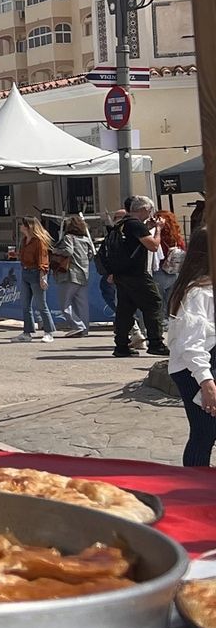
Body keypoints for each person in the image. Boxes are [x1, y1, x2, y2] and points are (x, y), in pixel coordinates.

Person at [166, 227, 215, 467]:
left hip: (202, 367)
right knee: (204, 433)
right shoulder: (198, 293)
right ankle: (195, 493)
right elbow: (191, 343)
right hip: (195, 370)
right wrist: (206, 382)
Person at [105, 196, 170, 358]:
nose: (150, 214)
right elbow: (153, 246)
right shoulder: (135, 225)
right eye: (149, 211)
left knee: (125, 309)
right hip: (137, 274)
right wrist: (159, 229)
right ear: (142, 210)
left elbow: (133, 242)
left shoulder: (122, 224)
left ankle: (121, 345)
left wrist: (147, 226)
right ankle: (156, 343)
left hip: (121, 274)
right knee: (154, 302)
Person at [53, 215, 95, 337]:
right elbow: (91, 255)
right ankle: (85, 329)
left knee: (64, 304)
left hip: (70, 274)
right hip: (84, 274)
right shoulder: (86, 239)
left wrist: (55, 251)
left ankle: (78, 325)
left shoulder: (68, 238)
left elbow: (68, 251)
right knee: (82, 304)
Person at [15, 215, 55, 342]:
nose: (20, 227)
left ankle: (48, 331)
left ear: (28, 227)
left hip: (36, 272)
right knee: (25, 305)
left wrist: (43, 277)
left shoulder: (39, 242)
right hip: (25, 272)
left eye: (22, 225)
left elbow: (43, 259)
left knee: (41, 304)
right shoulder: (24, 241)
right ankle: (27, 332)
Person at [153, 209, 186, 303]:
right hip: (175, 272)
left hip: (159, 271)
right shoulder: (177, 238)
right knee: (170, 304)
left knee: (158, 304)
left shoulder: (157, 237)